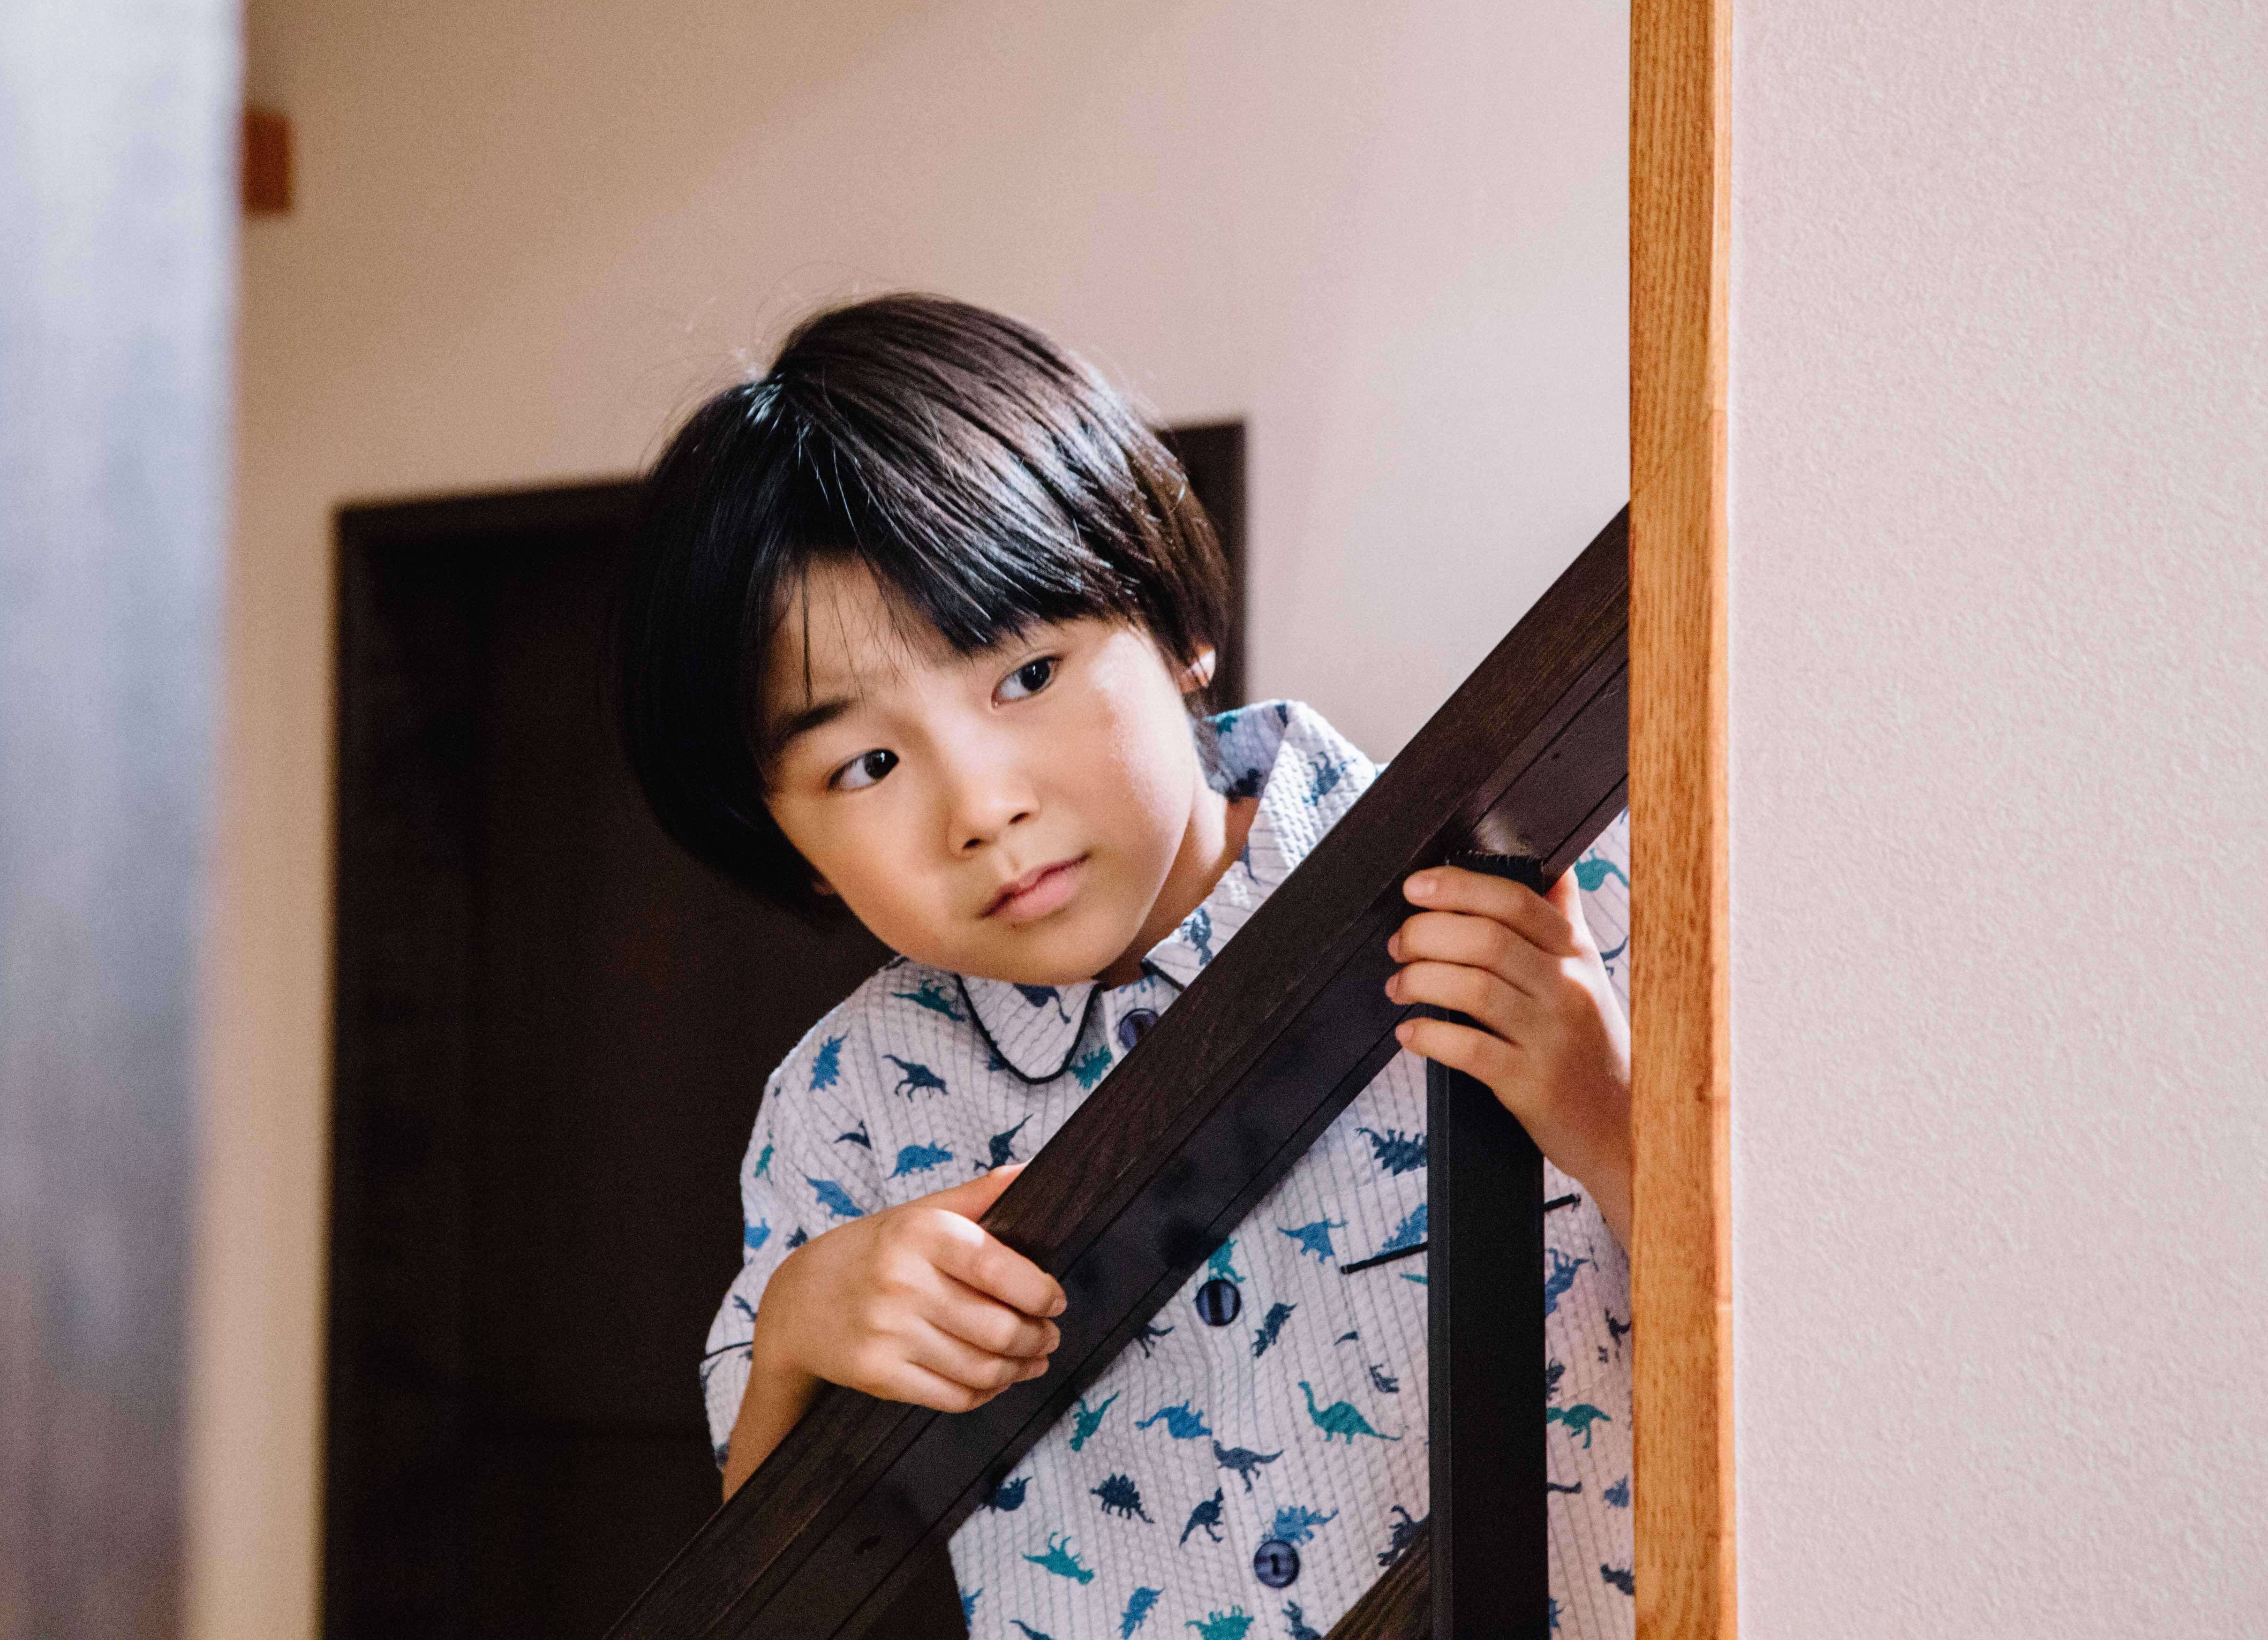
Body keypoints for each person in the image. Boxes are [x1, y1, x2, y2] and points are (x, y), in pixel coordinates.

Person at [616, 294, 1635, 1638]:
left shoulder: (1548, 885)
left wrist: (1610, 1119)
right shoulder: (844, 1106)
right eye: (864, 763)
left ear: (1171, 624)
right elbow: (775, 1595)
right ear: (789, 844)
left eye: (1025, 673)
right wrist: (802, 1332)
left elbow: (1843, 1370)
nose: (979, 805)